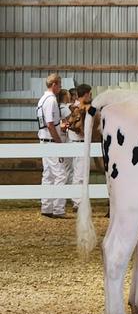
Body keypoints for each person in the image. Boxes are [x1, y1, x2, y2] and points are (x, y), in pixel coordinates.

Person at [36, 73, 68, 218]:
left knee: (48, 175)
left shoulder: (42, 99)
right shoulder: (51, 100)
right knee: (61, 174)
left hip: (44, 141)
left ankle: (46, 207)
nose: (60, 88)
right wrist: (58, 141)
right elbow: (50, 124)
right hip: (51, 141)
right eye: (59, 85)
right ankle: (58, 209)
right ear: (54, 84)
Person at [68, 83, 93, 212]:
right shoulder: (81, 108)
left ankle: (77, 201)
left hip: (75, 142)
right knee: (80, 174)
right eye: (90, 94)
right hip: (80, 142)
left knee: (77, 172)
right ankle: (78, 203)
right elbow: (78, 128)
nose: (91, 96)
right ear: (87, 94)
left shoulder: (73, 107)